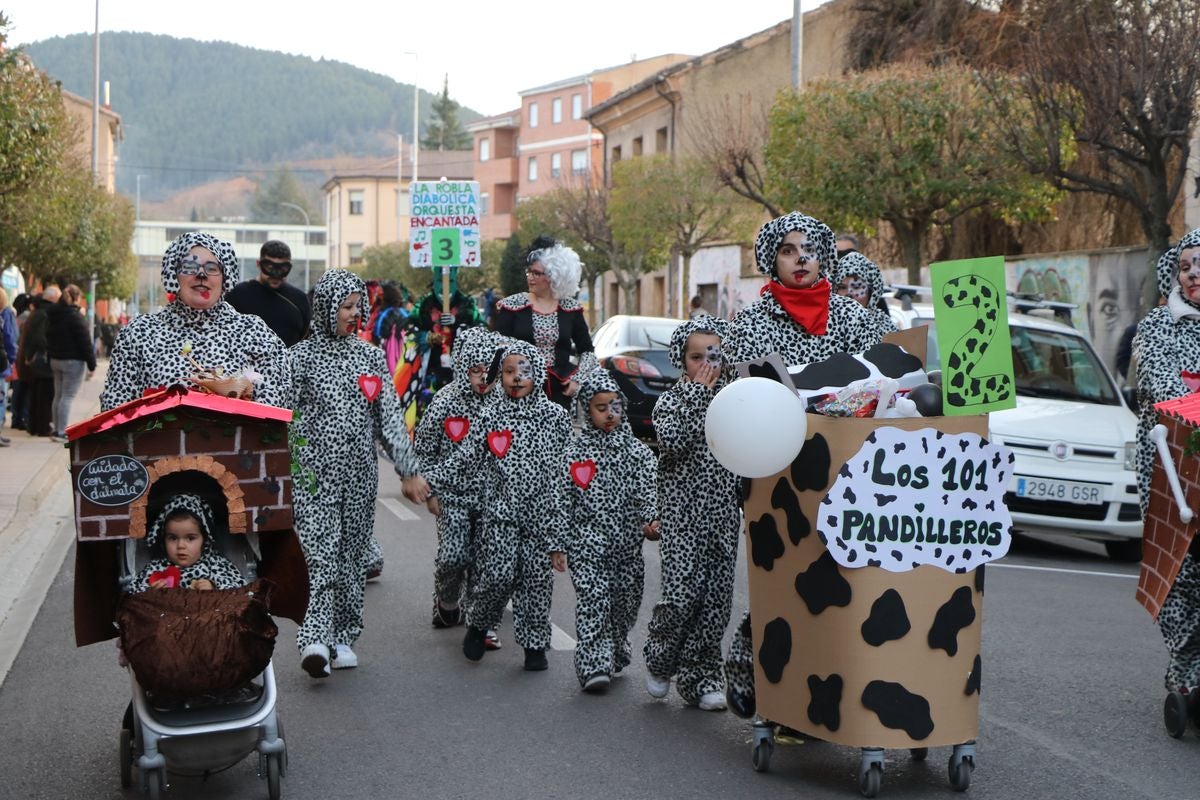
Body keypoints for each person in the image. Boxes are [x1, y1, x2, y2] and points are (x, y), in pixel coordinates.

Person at [288, 269, 430, 678]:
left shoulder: (369, 358)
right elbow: (280, 419)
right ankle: (314, 636)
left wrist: (408, 471)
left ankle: (343, 636)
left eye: (358, 307)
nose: (354, 314)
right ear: (326, 308)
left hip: (360, 476)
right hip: (312, 477)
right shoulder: (299, 358)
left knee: (351, 556)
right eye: (346, 307)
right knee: (319, 554)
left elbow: (389, 417)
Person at [423, 339, 571, 671]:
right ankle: (477, 624)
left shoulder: (556, 418)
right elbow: (465, 457)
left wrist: (562, 535)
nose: (516, 377)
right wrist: (428, 481)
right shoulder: (492, 416)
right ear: (499, 377)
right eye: (508, 371)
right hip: (501, 515)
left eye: (524, 371)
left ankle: (535, 647)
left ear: (537, 373)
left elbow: (566, 477)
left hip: (541, 519)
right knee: (497, 576)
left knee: (536, 583)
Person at [642, 316, 740, 711]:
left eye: (712, 355)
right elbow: (674, 443)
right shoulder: (672, 401)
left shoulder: (737, 399)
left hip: (722, 517)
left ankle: (702, 678)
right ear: (682, 360)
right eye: (696, 357)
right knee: (681, 595)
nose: (705, 364)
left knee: (716, 602)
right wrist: (698, 395)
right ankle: (661, 660)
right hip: (681, 516)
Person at [549, 369, 659, 693]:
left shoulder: (638, 454)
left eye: (615, 406)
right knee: (594, 601)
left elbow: (649, 492)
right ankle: (593, 664)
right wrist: (558, 544)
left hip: (627, 547)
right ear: (587, 409)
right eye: (601, 408)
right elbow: (560, 501)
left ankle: (615, 647)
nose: (610, 414)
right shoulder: (574, 454)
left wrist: (652, 520)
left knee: (624, 604)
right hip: (587, 544)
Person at [100, 232, 291, 412]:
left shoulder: (255, 335)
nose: (201, 275)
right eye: (190, 267)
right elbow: (115, 412)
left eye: (212, 268)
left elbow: (275, 412)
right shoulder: (138, 334)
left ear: (225, 277)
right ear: (174, 274)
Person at [1133, 227, 1200, 692]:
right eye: (1185, 265)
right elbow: (1164, 388)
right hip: (1170, 469)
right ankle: (1187, 667)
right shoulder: (1158, 326)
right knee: (1181, 569)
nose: (1193, 273)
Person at [413, 325, 501, 631]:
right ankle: (447, 598)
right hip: (452, 495)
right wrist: (431, 490)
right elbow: (423, 449)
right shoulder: (445, 402)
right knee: (453, 556)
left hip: (493, 497)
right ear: (463, 368)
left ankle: (478, 616)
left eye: (489, 371)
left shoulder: (505, 402)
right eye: (475, 371)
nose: (483, 378)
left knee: (483, 559)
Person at [728, 212, 880, 365]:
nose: (801, 259)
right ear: (772, 260)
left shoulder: (852, 316)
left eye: (809, 249)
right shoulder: (748, 325)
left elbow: (875, 382)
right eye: (788, 251)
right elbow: (745, 387)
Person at [494, 236, 597, 409]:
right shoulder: (512, 306)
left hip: (559, 393)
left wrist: (577, 381)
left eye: (536, 273)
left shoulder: (571, 309)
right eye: (529, 272)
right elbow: (496, 348)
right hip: (518, 391)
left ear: (553, 276)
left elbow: (587, 352)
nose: (530, 277)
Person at [129, 493, 245, 593]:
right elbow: (133, 595)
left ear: (205, 540)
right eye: (173, 538)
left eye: (190, 538)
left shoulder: (216, 565)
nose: (181, 546)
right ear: (163, 539)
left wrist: (214, 587)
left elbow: (240, 592)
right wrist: (151, 593)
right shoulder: (155, 568)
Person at [225, 240, 312, 347]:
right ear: (259, 264)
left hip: (290, 362)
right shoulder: (237, 295)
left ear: (289, 267)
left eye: (282, 268)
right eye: (270, 267)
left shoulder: (300, 299)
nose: (276, 274)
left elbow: (307, 339)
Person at [45, 284, 97, 441]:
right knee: (67, 396)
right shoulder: (75, 317)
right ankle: (61, 432)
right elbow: (85, 342)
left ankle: (55, 429)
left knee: (58, 395)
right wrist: (92, 364)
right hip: (72, 361)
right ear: (76, 298)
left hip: (55, 359)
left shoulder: (53, 314)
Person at [16, 287, 60, 436]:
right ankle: (42, 427)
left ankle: (34, 426)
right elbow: (40, 337)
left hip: (34, 361)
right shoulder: (46, 313)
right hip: (43, 361)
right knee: (45, 397)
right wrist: (49, 348)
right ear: (53, 298)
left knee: (36, 396)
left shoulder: (37, 312)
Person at [831, 251, 897, 337]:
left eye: (857, 287)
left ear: (871, 292)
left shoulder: (886, 327)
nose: (849, 294)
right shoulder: (824, 326)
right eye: (842, 287)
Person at [0, 288, 16, 446]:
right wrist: (12, 359)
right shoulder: (4, 315)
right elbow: (9, 338)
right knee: (1, 398)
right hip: (1, 362)